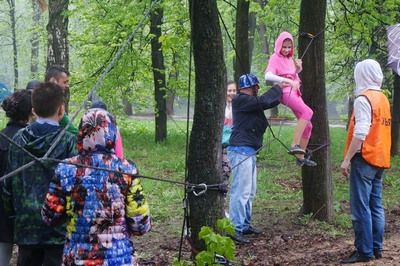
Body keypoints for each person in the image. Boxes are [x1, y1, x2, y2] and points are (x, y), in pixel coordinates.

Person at [41, 108, 151, 265]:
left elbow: (49, 217)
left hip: (77, 258)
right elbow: (140, 224)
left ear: (81, 133)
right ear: (112, 133)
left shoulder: (65, 169)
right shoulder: (127, 170)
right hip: (119, 259)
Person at [3, 82, 77, 266]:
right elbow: (76, 185)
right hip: (58, 227)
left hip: (26, 226)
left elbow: (7, 186)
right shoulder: (69, 142)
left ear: (34, 110)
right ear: (62, 110)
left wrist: (15, 215)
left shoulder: (17, 139)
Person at [340, 59, 391, 263]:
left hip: (365, 158)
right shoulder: (383, 99)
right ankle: (376, 248)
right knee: (376, 205)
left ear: (361, 75)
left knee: (361, 207)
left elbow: (361, 133)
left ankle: (364, 251)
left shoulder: (363, 99)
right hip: (380, 158)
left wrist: (346, 160)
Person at [228, 73, 282, 244]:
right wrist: (279, 86)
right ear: (252, 87)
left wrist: (284, 91)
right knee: (240, 191)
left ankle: (244, 225)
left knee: (249, 192)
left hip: (249, 150)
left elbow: (270, 101)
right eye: (257, 86)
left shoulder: (251, 103)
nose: (258, 89)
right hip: (240, 151)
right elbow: (265, 101)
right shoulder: (240, 99)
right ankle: (235, 228)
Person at [264, 31, 316, 167]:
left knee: (308, 125)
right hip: (285, 92)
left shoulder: (290, 59)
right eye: (284, 47)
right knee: (308, 112)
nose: (286, 50)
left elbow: (294, 76)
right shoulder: (275, 57)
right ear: (279, 45)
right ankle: (294, 144)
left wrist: (298, 69)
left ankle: (300, 157)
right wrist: (286, 80)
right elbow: (268, 76)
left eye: (289, 47)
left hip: (295, 92)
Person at [0, 90, 33, 266]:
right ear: (30, 112)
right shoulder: (32, 142)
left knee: (2, 254)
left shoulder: (2, 138)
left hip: (2, 211)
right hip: (26, 208)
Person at [45, 65, 78, 135]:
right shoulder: (54, 103)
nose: (67, 85)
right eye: (64, 82)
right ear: (53, 81)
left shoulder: (38, 98)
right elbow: (72, 131)